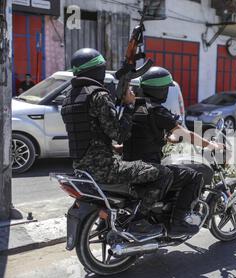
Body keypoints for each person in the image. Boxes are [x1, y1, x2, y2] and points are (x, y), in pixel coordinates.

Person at [61, 48, 172, 237]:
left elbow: (87, 134)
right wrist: (129, 105)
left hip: (81, 169)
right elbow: (119, 134)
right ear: (97, 70)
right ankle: (140, 221)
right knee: (163, 173)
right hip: (105, 170)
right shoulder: (98, 96)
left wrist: (111, 147)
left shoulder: (69, 99)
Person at [122, 67, 225, 237]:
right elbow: (186, 134)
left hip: (129, 165)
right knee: (194, 176)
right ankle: (179, 222)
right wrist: (210, 145)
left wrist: (166, 138)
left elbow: (143, 135)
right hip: (148, 168)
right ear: (160, 90)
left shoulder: (132, 108)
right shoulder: (156, 110)